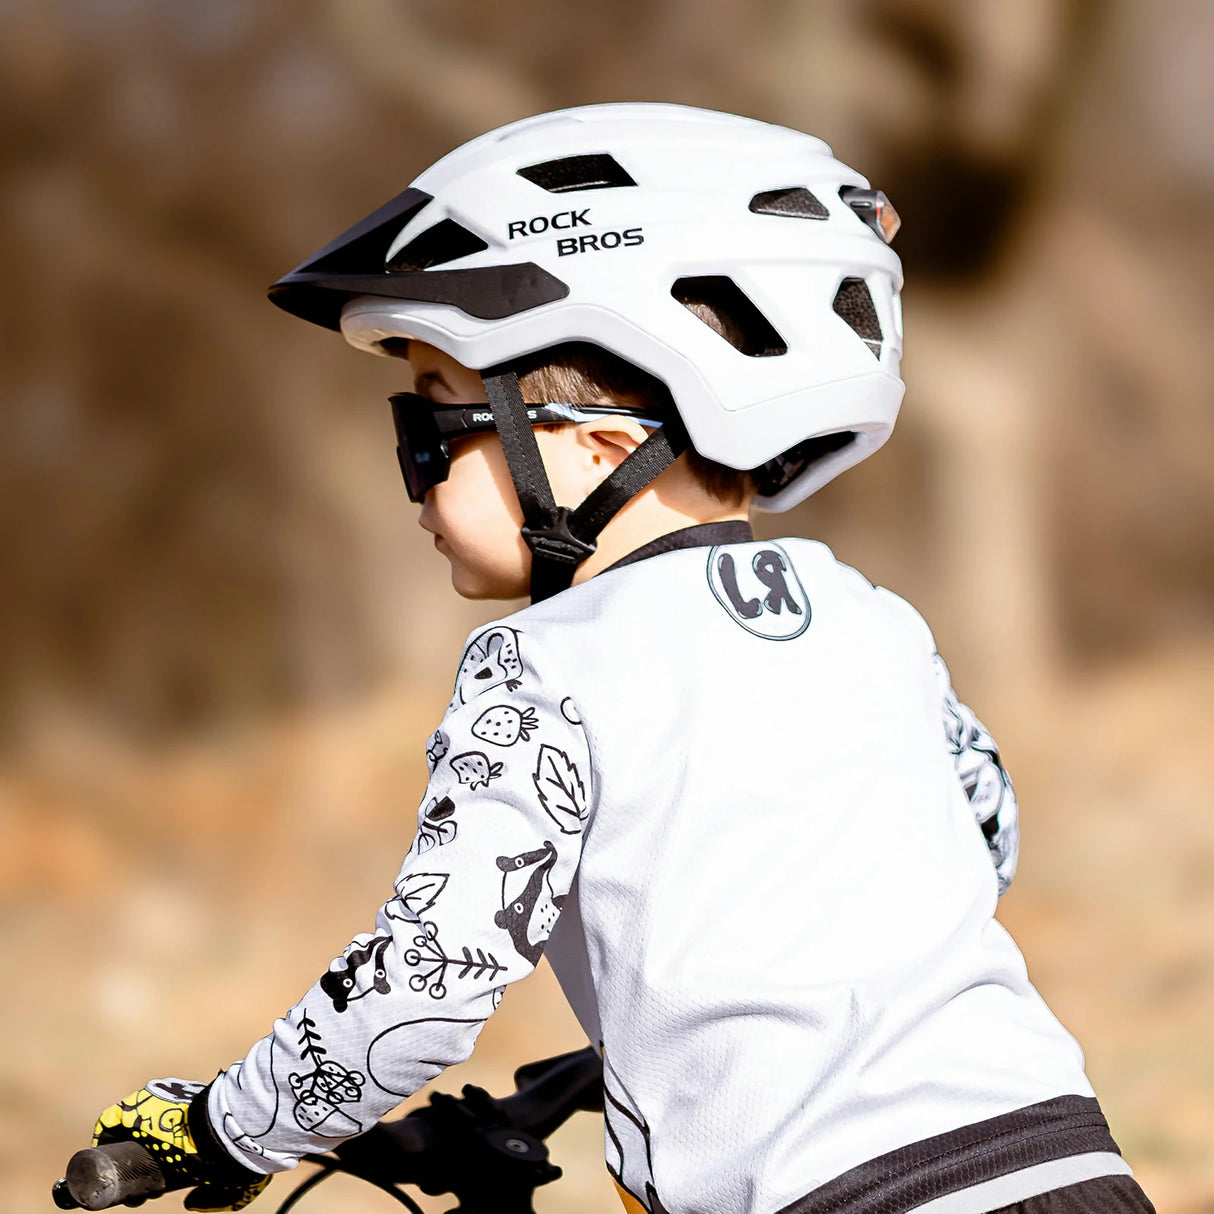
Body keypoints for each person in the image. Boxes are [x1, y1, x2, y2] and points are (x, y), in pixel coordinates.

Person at [84, 104, 1154, 1214]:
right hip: (1070, 1168)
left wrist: (221, 1126)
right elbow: (982, 834)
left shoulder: (545, 663)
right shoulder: (865, 611)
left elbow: (425, 985)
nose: (409, 480)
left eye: (429, 433)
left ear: (588, 445)